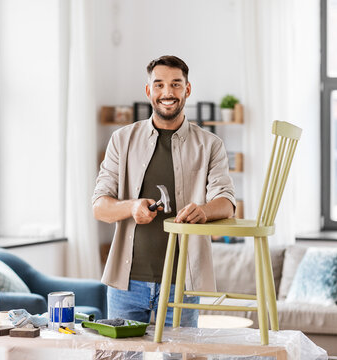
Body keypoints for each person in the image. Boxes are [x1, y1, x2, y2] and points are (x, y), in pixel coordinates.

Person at [92, 55, 235, 327]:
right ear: (148, 91)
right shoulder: (121, 141)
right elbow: (100, 206)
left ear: (187, 89)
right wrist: (132, 207)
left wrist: (203, 211)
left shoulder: (210, 145)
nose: (167, 93)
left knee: (178, 358)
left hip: (181, 283)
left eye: (175, 85)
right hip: (125, 284)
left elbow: (226, 202)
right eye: (159, 85)